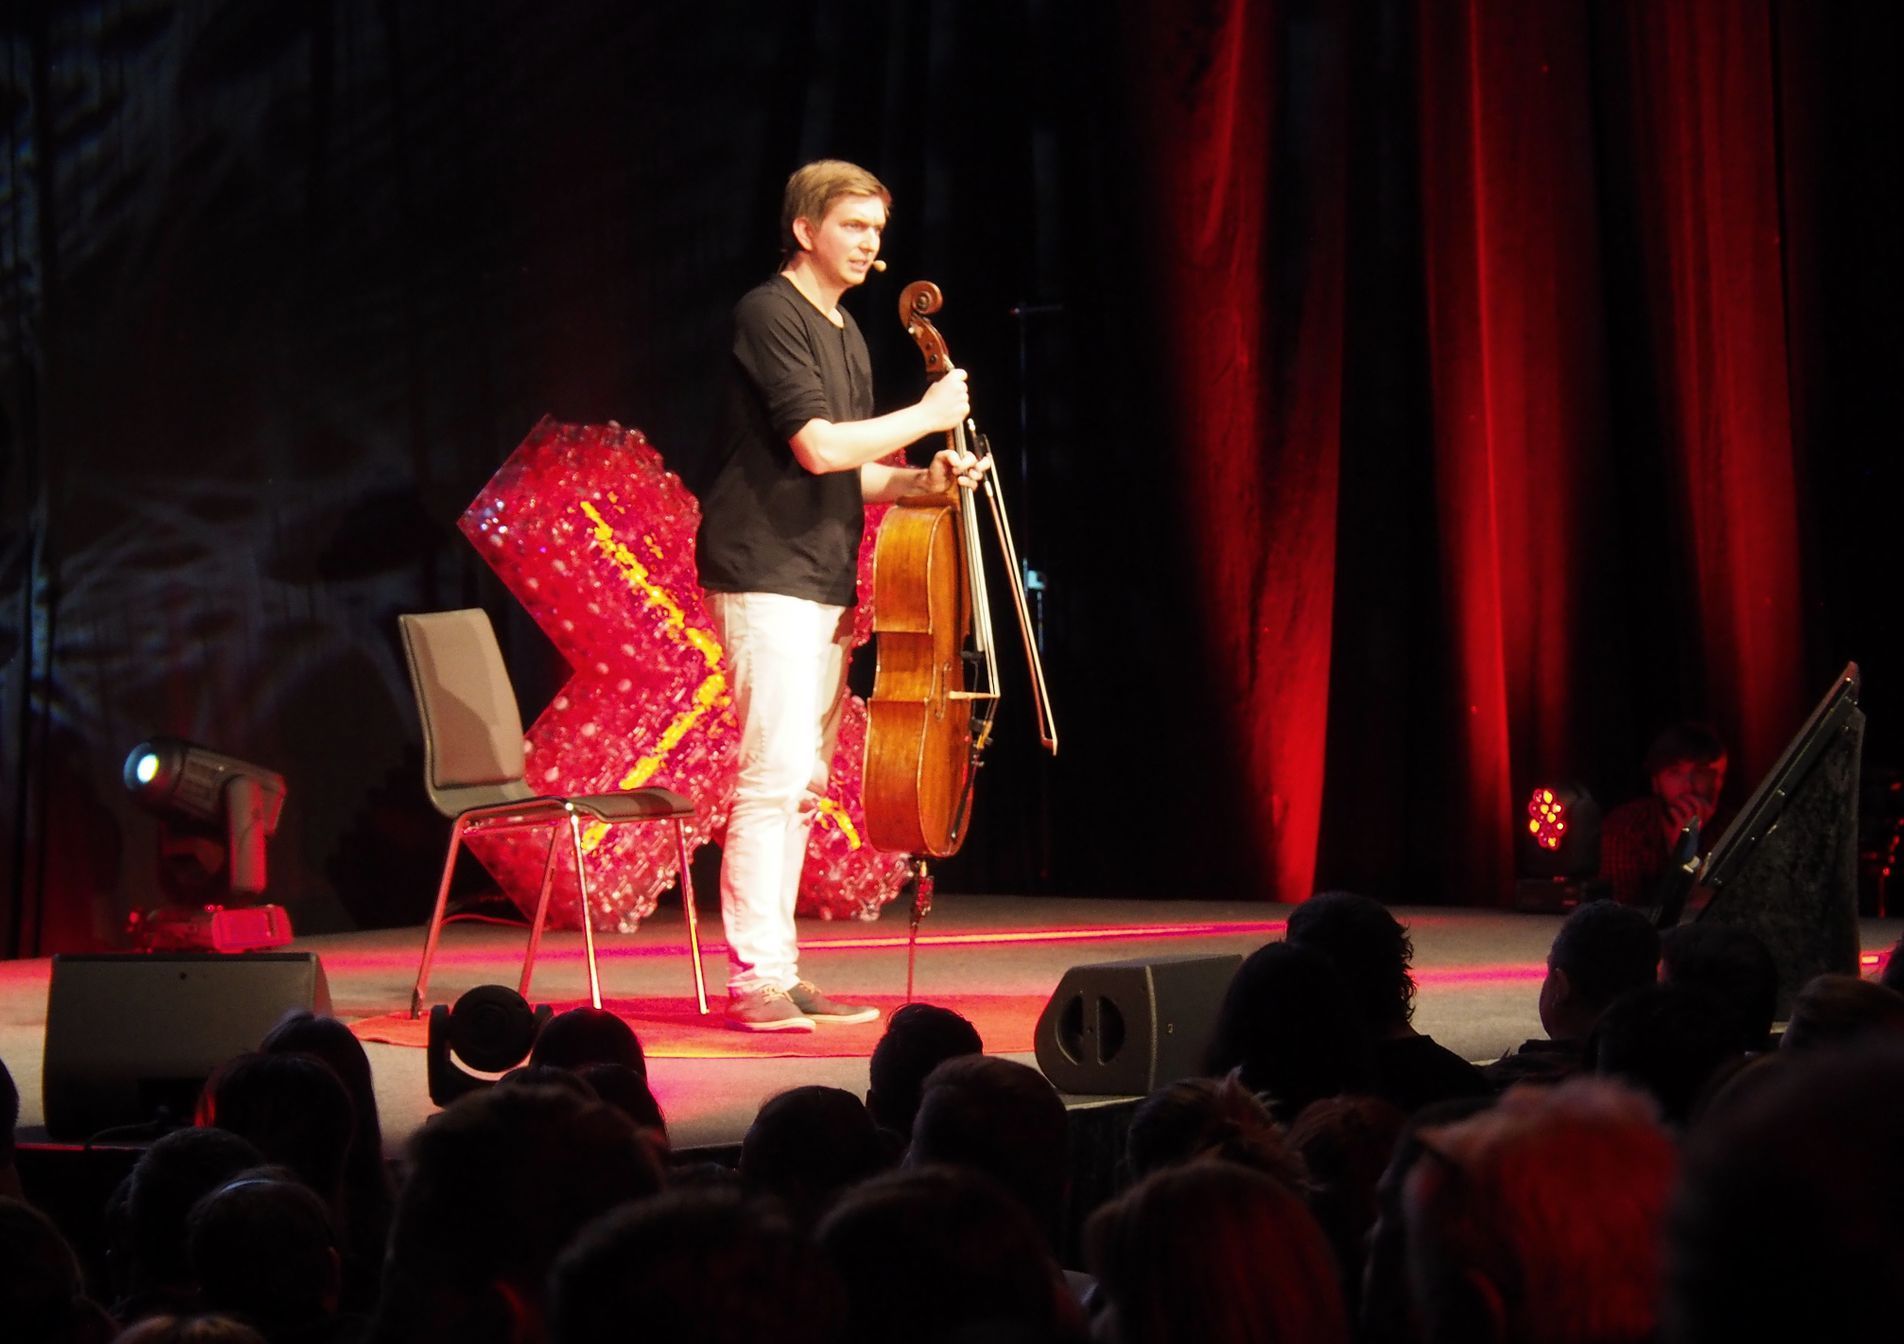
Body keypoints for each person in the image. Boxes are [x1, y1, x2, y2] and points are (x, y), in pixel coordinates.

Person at [695, 159, 985, 1032]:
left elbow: (851, 475)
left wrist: (923, 476)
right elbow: (818, 447)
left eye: (877, 232)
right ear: (804, 229)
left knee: (803, 782)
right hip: (764, 568)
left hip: (820, 571)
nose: (871, 245)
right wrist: (929, 414)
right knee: (772, 776)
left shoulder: (848, 332)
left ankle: (777, 968)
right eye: (854, 226)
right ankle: (753, 982)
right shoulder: (768, 313)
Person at [1598, 722, 1727, 907]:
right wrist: (1682, 852)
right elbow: (1620, 909)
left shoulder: (1730, 826)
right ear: (1656, 782)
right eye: (1675, 773)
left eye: (1701, 773)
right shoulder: (1626, 827)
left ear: (1717, 782)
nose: (1688, 785)